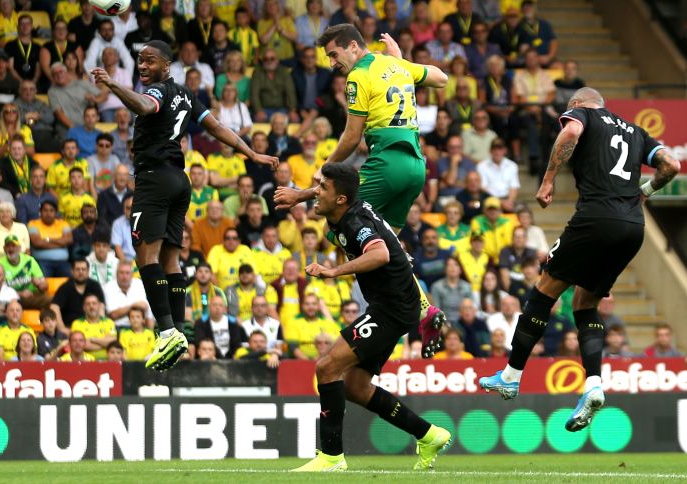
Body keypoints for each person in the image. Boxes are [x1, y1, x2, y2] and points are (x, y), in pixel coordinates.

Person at [480, 87, 680, 432]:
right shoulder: (637, 131)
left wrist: (547, 179)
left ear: (576, 105)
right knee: (585, 303)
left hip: (595, 218)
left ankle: (511, 375)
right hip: (633, 227)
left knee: (544, 290)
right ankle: (593, 385)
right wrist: (643, 193)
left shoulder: (582, 116)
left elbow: (570, 132)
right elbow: (671, 165)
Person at [91, 40, 278, 371]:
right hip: (179, 181)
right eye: (139, 61)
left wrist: (111, 84)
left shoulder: (160, 92)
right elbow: (218, 127)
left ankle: (165, 331)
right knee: (171, 260)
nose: (143, 66)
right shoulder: (187, 95)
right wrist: (251, 153)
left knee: (145, 256)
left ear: (166, 66)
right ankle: (177, 331)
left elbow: (145, 107)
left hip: (154, 179)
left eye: (149, 61)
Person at [276, 25, 449, 346]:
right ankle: (422, 310)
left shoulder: (358, 76)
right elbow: (442, 79)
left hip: (387, 162)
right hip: (416, 167)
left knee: (339, 224)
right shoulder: (395, 65)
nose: (331, 63)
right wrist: (402, 62)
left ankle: (416, 307)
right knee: (388, 245)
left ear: (353, 46)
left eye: (333, 54)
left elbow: (352, 137)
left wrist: (316, 178)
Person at [291, 163, 452, 471]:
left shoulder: (354, 223)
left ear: (341, 199)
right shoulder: (346, 213)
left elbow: (380, 254)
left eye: (322, 188)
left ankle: (331, 457)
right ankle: (429, 434)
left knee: (326, 367)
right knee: (355, 386)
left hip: (391, 310)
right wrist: (301, 195)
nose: (317, 191)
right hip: (393, 306)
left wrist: (333, 271)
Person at [50, 259, 104, 333]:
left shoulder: (95, 286)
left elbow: (101, 306)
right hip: (70, 329)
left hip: (94, 328)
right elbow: (54, 307)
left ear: (88, 272)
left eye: (83, 269)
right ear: (72, 271)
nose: (81, 272)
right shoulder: (65, 287)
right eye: (78, 269)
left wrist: (102, 327)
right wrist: (62, 329)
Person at [193, 293, 246, 359]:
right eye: (214, 305)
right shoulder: (201, 323)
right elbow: (200, 342)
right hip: (210, 358)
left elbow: (237, 344)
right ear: (209, 307)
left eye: (220, 305)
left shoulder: (233, 323)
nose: (217, 308)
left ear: (225, 309)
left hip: (231, 359)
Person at [28, 199, 72, 277]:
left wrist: (48, 239)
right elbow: (37, 243)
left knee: (71, 283)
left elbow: (68, 240)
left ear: (56, 213)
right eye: (45, 210)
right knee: (43, 284)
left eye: (51, 211)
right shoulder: (33, 224)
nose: (48, 213)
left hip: (62, 262)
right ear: (40, 212)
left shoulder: (63, 223)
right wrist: (61, 243)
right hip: (42, 261)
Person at [70, 293, 117, 360]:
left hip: (106, 360)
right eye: (88, 304)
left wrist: (93, 339)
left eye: (94, 303)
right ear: (84, 307)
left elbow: (113, 342)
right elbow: (80, 345)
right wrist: (105, 344)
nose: (91, 306)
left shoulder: (109, 322)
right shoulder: (77, 323)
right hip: (85, 361)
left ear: (99, 306)